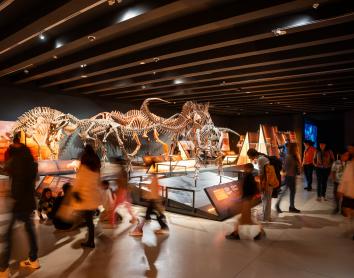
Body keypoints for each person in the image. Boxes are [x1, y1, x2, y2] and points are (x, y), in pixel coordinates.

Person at [0, 137, 40, 277]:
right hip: (29, 202)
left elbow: (6, 170)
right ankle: (34, 259)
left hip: (18, 203)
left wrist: (13, 197)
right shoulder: (31, 162)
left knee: (8, 235)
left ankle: (4, 268)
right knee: (30, 230)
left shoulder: (14, 161)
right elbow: (35, 179)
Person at [71, 144, 102, 249]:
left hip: (85, 198)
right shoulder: (96, 167)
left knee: (89, 221)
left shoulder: (84, 168)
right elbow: (98, 182)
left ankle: (91, 241)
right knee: (89, 221)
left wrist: (75, 193)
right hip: (93, 198)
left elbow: (78, 182)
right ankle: (90, 240)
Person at [226, 163, 263, 240]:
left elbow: (248, 189)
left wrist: (244, 198)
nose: (244, 169)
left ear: (249, 169)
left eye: (245, 168)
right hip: (247, 199)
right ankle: (236, 233)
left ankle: (236, 234)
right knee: (244, 219)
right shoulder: (250, 176)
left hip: (247, 199)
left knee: (245, 219)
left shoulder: (248, 177)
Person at [247, 148, 273, 222]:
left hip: (267, 182)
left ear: (252, 155)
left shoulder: (260, 159)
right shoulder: (262, 157)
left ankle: (266, 218)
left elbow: (262, 174)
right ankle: (266, 216)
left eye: (249, 156)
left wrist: (261, 185)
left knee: (266, 199)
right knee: (266, 199)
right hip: (268, 180)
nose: (249, 158)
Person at [276, 143, 301, 213]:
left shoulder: (293, 156)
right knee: (285, 192)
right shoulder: (289, 157)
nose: (297, 149)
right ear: (293, 149)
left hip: (292, 176)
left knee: (292, 192)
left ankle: (291, 207)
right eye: (296, 147)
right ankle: (277, 205)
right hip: (289, 177)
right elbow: (284, 168)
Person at [337, 143, 354, 240]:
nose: (349, 151)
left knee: (348, 210)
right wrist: (341, 189)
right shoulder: (350, 163)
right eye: (348, 149)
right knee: (347, 210)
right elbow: (345, 178)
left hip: (350, 191)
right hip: (349, 192)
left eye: (351, 149)